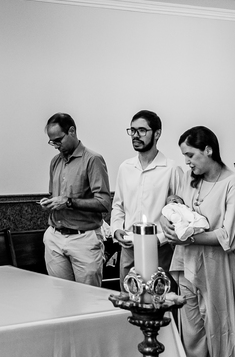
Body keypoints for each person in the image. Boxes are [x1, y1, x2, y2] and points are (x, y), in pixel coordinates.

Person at [166, 126, 235, 357]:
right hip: (188, 263)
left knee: (222, 334)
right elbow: (176, 207)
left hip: (220, 266)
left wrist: (188, 237)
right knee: (192, 335)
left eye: (190, 155)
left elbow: (229, 235)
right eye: (184, 157)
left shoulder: (232, 183)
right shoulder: (190, 179)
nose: (187, 162)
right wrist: (169, 220)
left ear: (208, 150)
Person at [40, 112, 113, 285]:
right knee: (60, 298)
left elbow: (104, 203)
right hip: (55, 237)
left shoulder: (93, 160)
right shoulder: (55, 162)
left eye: (58, 140)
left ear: (72, 131)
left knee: (88, 301)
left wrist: (68, 202)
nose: (56, 145)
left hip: (83, 239)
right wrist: (50, 202)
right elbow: (56, 196)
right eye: (52, 142)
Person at [111, 109, 182, 278]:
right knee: (130, 299)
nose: (136, 135)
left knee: (160, 298)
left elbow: (179, 215)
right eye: (133, 131)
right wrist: (116, 230)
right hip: (129, 247)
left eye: (142, 130)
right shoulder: (125, 168)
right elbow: (118, 206)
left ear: (157, 133)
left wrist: (160, 239)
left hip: (159, 247)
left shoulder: (171, 169)